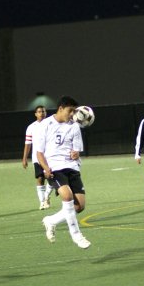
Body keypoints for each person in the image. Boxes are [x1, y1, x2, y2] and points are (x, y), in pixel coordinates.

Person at [35, 95, 91, 249]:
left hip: (72, 167)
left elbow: (77, 148)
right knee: (67, 196)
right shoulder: (45, 125)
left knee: (79, 206)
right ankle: (76, 235)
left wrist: (76, 153)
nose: (72, 114)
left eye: (74, 111)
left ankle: (51, 221)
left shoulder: (74, 125)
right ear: (60, 108)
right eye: (70, 111)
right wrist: (45, 168)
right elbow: (39, 153)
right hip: (54, 168)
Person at [22, 105, 54, 210]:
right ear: (35, 114)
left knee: (50, 177)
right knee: (40, 179)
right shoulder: (31, 127)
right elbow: (28, 143)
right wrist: (24, 158)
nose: (42, 113)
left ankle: (46, 197)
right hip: (37, 157)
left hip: (49, 156)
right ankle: (42, 202)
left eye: (43, 111)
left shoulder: (51, 124)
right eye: (39, 111)